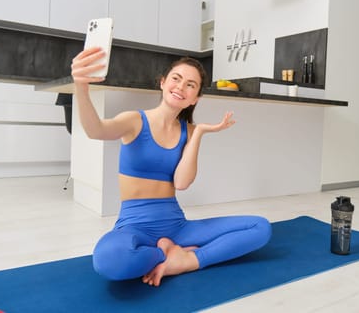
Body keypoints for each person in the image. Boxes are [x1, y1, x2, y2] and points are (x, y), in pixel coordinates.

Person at [71, 47, 272, 287]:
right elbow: (96, 131)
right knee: (108, 261)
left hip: (177, 226)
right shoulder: (135, 120)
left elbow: (182, 183)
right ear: (163, 82)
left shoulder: (188, 132)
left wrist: (198, 134)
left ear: (195, 97)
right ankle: (165, 252)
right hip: (135, 226)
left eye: (190, 85)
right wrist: (81, 87)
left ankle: (186, 261)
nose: (180, 87)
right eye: (176, 79)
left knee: (260, 227)